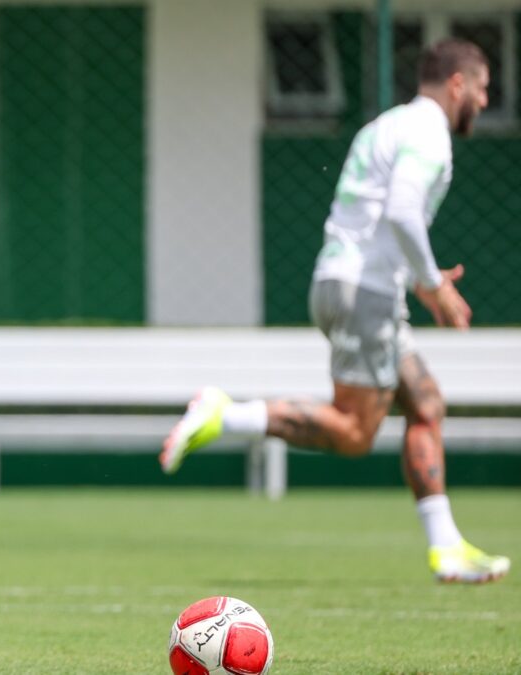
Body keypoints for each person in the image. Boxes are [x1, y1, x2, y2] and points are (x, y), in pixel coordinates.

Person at [160, 39, 509, 585]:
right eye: (484, 88)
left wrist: (411, 280)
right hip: (363, 292)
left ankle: (447, 549)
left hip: (353, 286)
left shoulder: (388, 125)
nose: (487, 100)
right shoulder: (428, 134)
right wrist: (432, 284)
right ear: (458, 84)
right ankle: (224, 413)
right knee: (353, 433)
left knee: (425, 402)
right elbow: (400, 210)